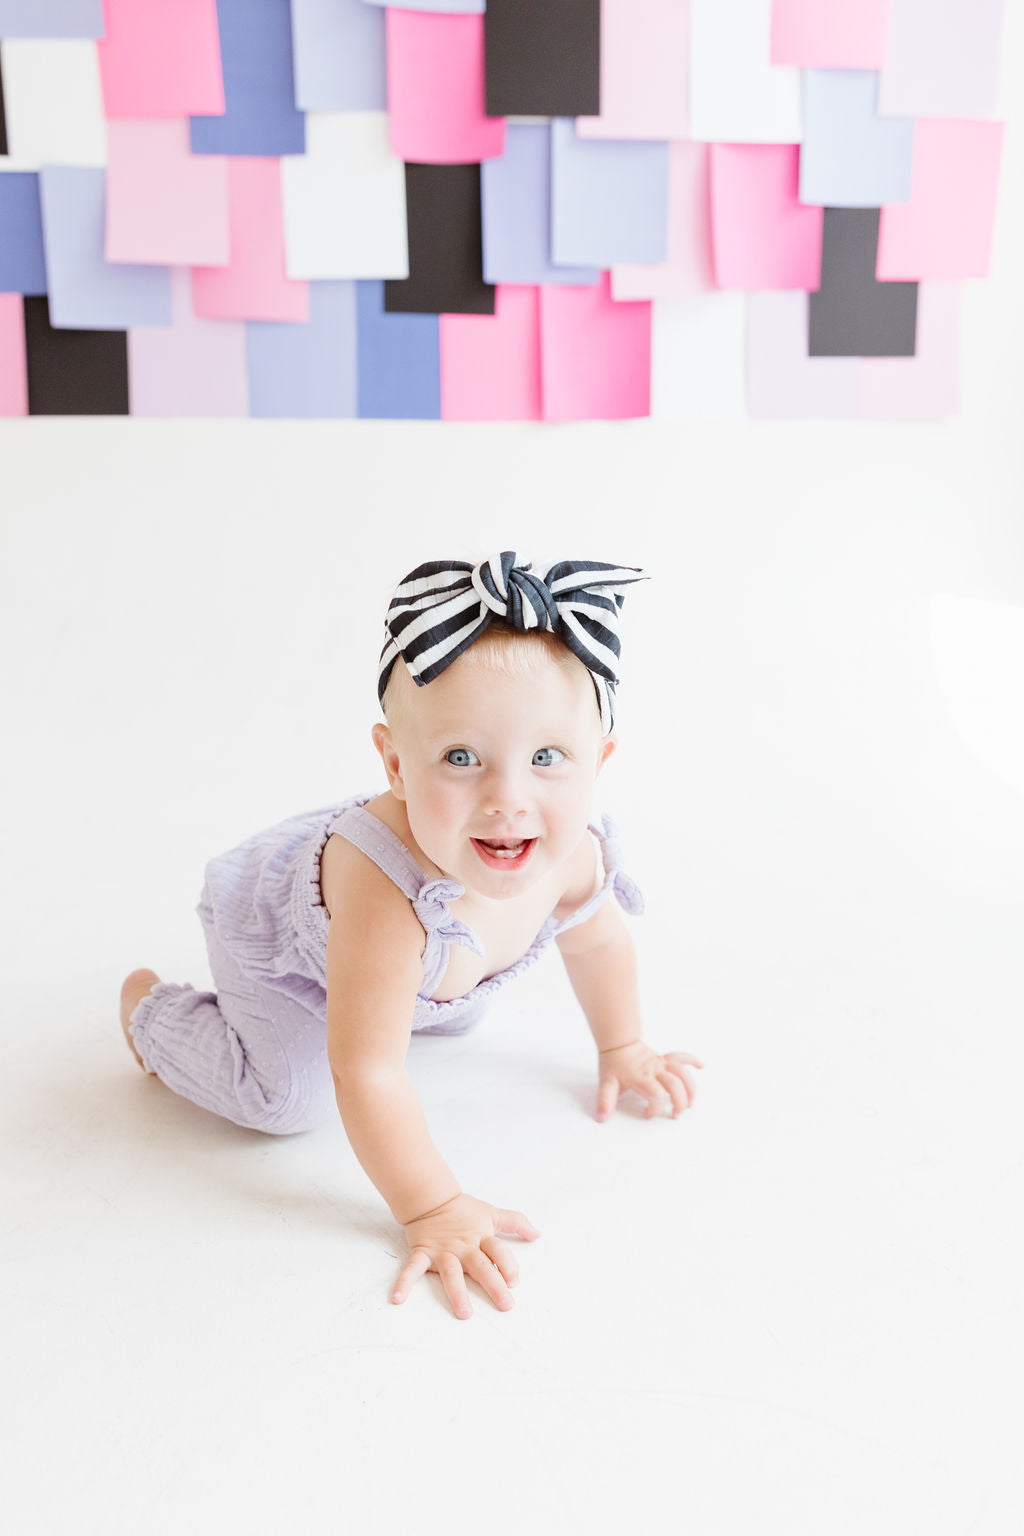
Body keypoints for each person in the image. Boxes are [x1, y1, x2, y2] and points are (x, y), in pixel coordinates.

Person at [119, 552, 704, 1320]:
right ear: (396, 764)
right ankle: (150, 1017)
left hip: (422, 957)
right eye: (461, 758)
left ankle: (425, 992)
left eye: (548, 759)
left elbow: (596, 944)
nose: (509, 800)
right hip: (278, 945)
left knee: (457, 1008)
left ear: (599, 762)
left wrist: (622, 1046)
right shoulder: (386, 903)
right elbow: (368, 1075)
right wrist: (431, 1205)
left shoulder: (573, 853)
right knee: (285, 1102)